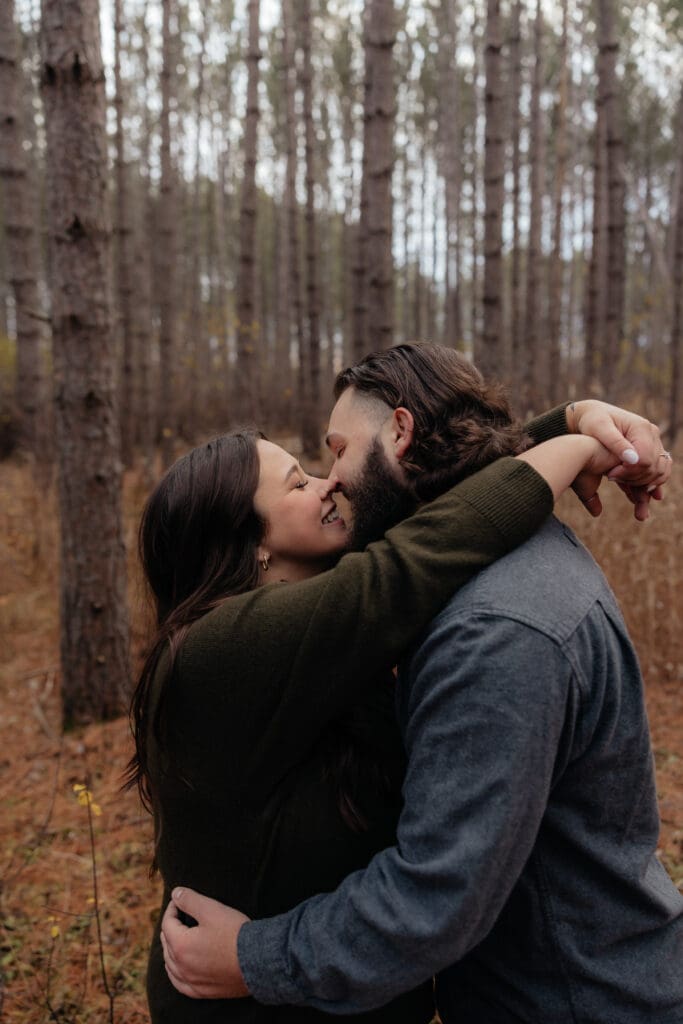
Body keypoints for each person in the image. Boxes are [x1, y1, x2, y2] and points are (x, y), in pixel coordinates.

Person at [159, 345, 682, 1023]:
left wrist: (260, 955)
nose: (330, 481)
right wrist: (569, 434)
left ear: (400, 432)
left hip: (569, 1000)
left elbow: (435, 897)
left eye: (335, 451)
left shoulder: (493, 627)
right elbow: (426, 542)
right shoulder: (239, 643)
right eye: (299, 480)